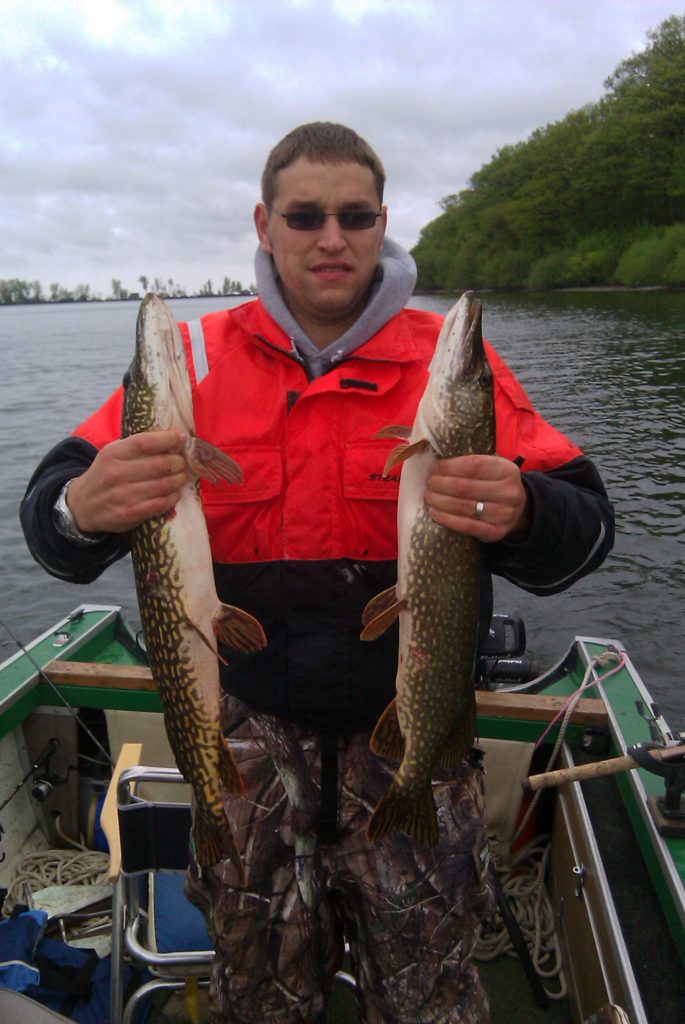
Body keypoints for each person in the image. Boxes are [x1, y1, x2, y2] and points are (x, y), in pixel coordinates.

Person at [21, 122, 614, 1024]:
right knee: (256, 996)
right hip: (251, 755)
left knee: (428, 999)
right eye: (305, 216)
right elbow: (54, 517)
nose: (329, 238)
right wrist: (80, 507)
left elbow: (587, 530)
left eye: (354, 215)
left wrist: (527, 511)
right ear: (265, 225)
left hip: (414, 741)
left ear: (382, 223)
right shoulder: (190, 361)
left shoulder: (451, 365)